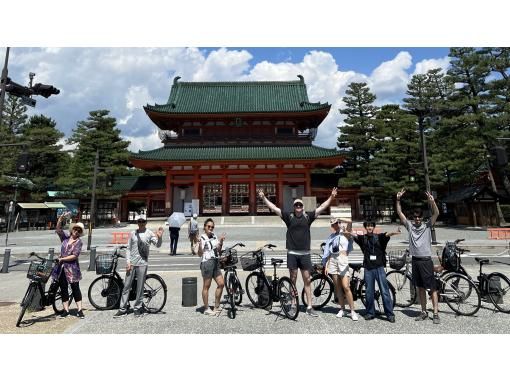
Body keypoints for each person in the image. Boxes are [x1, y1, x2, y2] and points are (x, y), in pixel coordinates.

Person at [259, 187, 337, 317]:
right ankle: (293, 304)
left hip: (305, 253)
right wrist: (263, 198)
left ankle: (309, 306)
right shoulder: (289, 217)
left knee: (307, 279)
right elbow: (274, 208)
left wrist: (332, 197)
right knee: (293, 279)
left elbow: (322, 207)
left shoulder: (308, 217)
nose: (298, 207)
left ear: (303, 207)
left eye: (300, 205)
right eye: (296, 205)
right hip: (292, 253)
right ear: (294, 207)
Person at [396, 188, 441, 324]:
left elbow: (436, 213)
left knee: (432, 287)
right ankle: (423, 311)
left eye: (419, 217)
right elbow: (399, 213)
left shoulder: (427, 225)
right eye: (415, 217)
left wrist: (432, 202)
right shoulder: (409, 226)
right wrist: (398, 199)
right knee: (420, 287)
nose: (417, 219)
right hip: (415, 260)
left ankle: (436, 312)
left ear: (422, 217)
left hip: (426, 260)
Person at [114, 215, 163, 318]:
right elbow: (128, 248)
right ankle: (122, 309)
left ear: (146, 222)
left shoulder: (149, 233)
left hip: (142, 263)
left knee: (140, 288)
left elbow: (157, 245)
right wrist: (128, 262)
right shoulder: (133, 233)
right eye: (139, 221)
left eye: (143, 221)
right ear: (137, 222)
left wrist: (160, 236)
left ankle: (137, 308)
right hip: (131, 263)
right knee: (126, 286)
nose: (141, 223)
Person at [351, 220, 400, 323]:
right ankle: (370, 312)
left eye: (371, 226)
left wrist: (395, 231)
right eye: (368, 226)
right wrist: (344, 231)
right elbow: (352, 235)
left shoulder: (379, 237)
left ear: (373, 227)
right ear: (365, 227)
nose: (369, 227)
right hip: (368, 268)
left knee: (384, 291)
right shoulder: (362, 238)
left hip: (379, 267)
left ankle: (389, 314)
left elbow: (387, 234)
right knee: (369, 292)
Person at [322, 217, 359, 321]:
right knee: (337, 287)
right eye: (333, 224)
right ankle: (342, 309)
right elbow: (329, 252)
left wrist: (340, 219)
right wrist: (326, 265)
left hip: (342, 259)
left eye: (336, 223)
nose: (335, 225)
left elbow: (351, 221)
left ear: (339, 223)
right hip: (333, 260)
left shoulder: (345, 233)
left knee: (346, 286)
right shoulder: (332, 236)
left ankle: (352, 311)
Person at [53, 212, 85, 319]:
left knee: (75, 287)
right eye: (75, 229)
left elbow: (74, 256)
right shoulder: (65, 238)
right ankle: (66, 310)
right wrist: (60, 219)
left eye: (78, 231)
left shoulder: (79, 242)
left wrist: (62, 258)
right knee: (63, 288)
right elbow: (58, 230)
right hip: (62, 268)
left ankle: (80, 310)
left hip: (72, 268)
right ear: (72, 230)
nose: (76, 232)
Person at [198, 218, 226, 316]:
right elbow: (199, 254)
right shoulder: (202, 238)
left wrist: (221, 241)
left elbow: (218, 249)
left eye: (212, 227)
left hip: (215, 262)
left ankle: (216, 306)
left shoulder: (214, 236)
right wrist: (199, 246)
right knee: (206, 286)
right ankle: (206, 308)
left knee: (221, 284)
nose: (210, 228)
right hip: (207, 263)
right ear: (204, 227)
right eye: (208, 226)